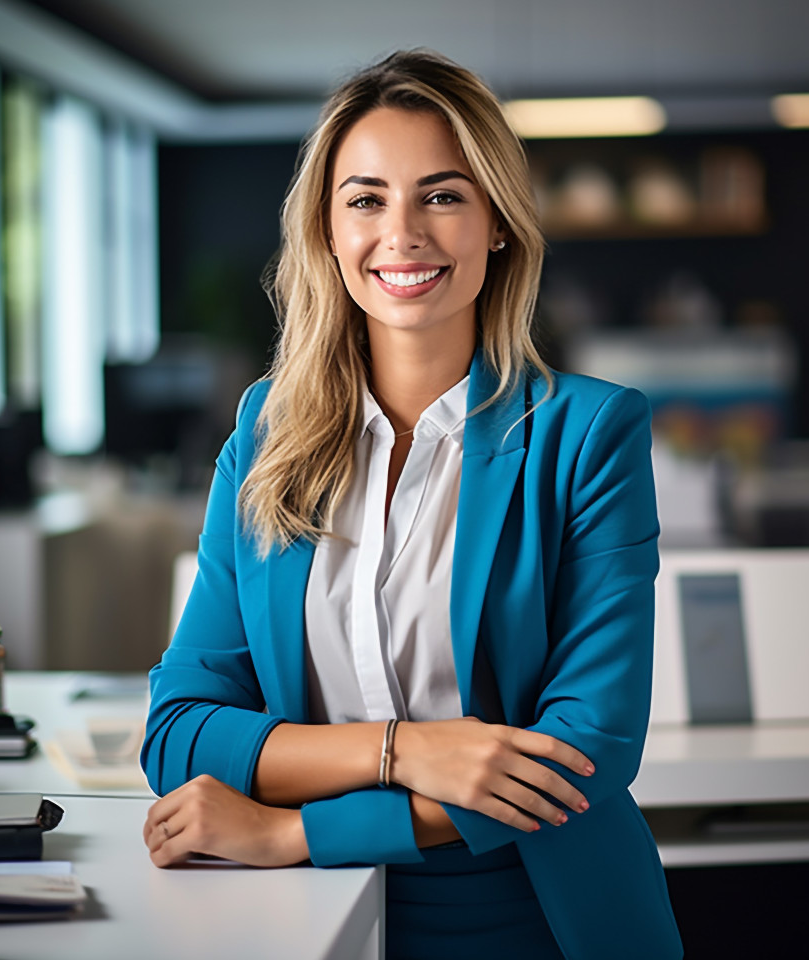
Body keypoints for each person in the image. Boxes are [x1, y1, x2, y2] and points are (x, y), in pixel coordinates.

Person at [141, 49, 683, 960]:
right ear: (326, 230)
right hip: (305, 920)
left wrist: (295, 831)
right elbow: (182, 729)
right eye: (365, 199)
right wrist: (405, 751)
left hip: (536, 916)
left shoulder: (589, 434)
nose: (403, 233)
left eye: (441, 195)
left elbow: (582, 754)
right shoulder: (267, 432)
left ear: (497, 224)